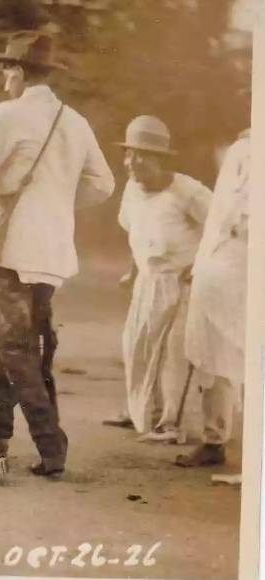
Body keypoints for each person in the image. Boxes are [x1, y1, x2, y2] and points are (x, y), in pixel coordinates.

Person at [0, 31, 115, 477]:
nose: (2, 77)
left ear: (16, 72)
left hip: (13, 251)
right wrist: (53, 202)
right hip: (52, 255)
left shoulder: (8, 115)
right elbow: (103, 185)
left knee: (14, 346)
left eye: (5, 69)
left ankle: (52, 446)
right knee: (8, 339)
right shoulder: (74, 121)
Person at [105, 116, 210, 442]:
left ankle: (169, 424)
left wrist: (201, 266)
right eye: (129, 154)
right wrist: (133, 269)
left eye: (142, 155)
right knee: (136, 346)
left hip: (183, 283)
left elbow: (220, 228)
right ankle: (140, 412)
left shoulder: (187, 191)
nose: (132, 162)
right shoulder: (132, 192)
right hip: (147, 282)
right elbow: (135, 233)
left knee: (173, 355)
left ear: (161, 158)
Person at [176, 127, 251, 468]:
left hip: (242, 267)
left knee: (245, 352)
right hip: (219, 266)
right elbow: (220, 219)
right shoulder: (239, 151)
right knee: (213, 353)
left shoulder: (246, 153)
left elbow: (244, 218)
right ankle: (214, 438)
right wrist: (202, 261)